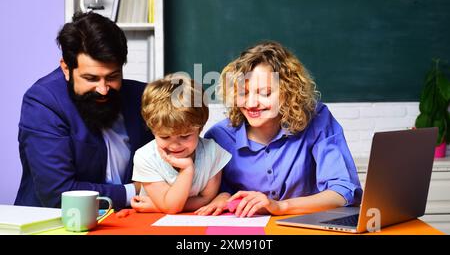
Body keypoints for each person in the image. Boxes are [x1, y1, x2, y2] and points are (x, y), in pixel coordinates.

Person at [195, 40, 362, 217]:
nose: (251, 103)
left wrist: (281, 207)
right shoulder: (219, 137)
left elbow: (344, 192)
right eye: (243, 93)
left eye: (265, 93)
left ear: (288, 92)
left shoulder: (318, 119)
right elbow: (216, 191)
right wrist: (223, 196)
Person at [15, 12, 153, 210]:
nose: (103, 89)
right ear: (66, 69)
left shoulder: (141, 96)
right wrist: (137, 191)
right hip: (56, 225)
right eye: (91, 78)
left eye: (112, 76)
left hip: (130, 223)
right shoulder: (43, 102)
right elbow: (59, 194)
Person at [127, 74, 231, 214]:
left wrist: (156, 206)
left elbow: (206, 199)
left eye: (185, 136)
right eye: (164, 137)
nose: (175, 145)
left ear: (200, 127)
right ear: (152, 130)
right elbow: (171, 207)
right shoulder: (145, 157)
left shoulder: (212, 152)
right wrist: (187, 169)